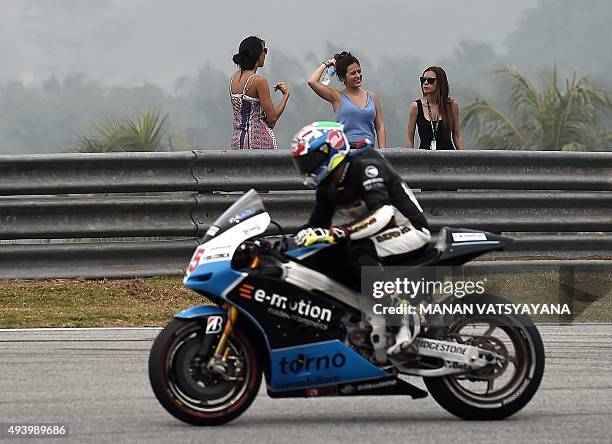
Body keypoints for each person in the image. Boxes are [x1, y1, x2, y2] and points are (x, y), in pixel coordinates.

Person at [291, 121, 431, 357]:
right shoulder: (327, 186)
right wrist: (284, 244)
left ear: (331, 151)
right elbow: (317, 225)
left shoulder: (366, 167)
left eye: (310, 160)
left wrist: (340, 232)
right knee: (325, 253)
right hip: (379, 234)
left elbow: (383, 214)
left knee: (357, 248)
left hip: (410, 229)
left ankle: (404, 316)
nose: (307, 168)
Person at [307, 52, 386, 149]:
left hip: (367, 151)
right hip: (345, 151)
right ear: (342, 77)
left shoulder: (372, 97)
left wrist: (383, 151)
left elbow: (380, 127)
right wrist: (327, 64)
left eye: (359, 71)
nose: (358, 75)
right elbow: (312, 82)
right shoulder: (337, 97)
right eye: (353, 73)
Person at [229, 36, 290, 149]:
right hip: (257, 142)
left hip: (236, 141)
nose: (265, 55)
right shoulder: (259, 81)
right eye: (264, 51)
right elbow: (272, 119)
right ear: (257, 54)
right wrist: (286, 95)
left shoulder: (233, 79)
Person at [404, 66, 464, 150]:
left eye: (430, 80)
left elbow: (457, 136)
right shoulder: (416, 106)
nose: (425, 83)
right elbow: (409, 137)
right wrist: (409, 159)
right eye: (423, 80)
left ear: (440, 82)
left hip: (448, 157)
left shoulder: (451, 105)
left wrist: (463, 158)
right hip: (424, 158)